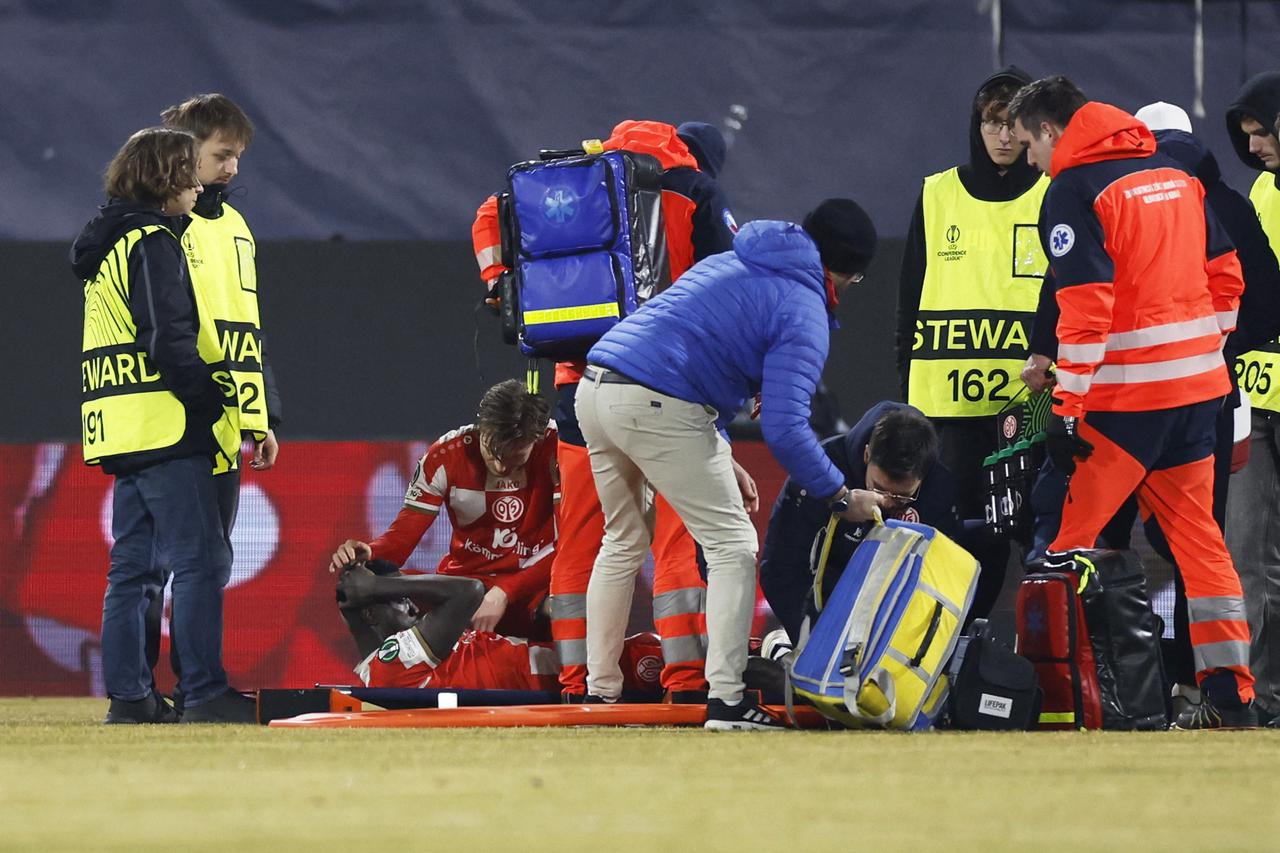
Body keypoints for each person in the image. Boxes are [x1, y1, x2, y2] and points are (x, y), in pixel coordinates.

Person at [577, 198, 883, 730]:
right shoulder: (803, 305)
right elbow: (786, 429)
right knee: (734, 547)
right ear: (848, 273)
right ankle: (727, 699)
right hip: (656, 402)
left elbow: (693, 352)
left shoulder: (734, 258)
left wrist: (718, 449)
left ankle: (597, 694)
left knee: (622, 541)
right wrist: (840, 495)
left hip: (597, 388)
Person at [1008, 75, 1257, 728]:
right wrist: (1203, 351)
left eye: (1029, 141)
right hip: (1196, 394)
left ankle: (1055, 697)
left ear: (1053, 131)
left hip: (1122, 404)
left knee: (1064, 541)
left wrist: (1066, 408)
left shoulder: (1073, 190)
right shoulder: (1174, 176)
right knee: (1200, 541)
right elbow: (1228, 277)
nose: (1027, 156)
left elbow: (1086, 307)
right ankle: (1231, 691)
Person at [471, 120, 740, 701]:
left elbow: (489, 212)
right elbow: (726, 293)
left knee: (593, 540)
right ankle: (687, 680)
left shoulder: (580, 174)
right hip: (669, 384)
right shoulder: (696, 191)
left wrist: (499, 283)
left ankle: (583, 684)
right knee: (676, 539)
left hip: (580, 387)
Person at [73, 127, 252, 723]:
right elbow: (168, 340)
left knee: (135, 571)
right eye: (188, 172)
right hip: (166, 426)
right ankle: (204, 693)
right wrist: (208, 404)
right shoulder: (151, 240)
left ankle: (130, 700)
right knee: (199, 561)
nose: (198, 185)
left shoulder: (107, 246)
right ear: (164, 178)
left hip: (119, 427)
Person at [897, 66, 1049, 601]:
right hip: (950, 409)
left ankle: (1038, 660)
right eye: (992, 124)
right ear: (976, 127)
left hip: (1030, 404)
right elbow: (910, 296)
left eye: (1013, 125)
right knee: (957, 538)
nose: (1004, 136)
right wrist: (907, 386)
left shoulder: (1054, 193)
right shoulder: (937, 194)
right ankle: (953, 658)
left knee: (1036, 533)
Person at [329, 380, 558, 639]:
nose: (502, 467)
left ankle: (575, 680)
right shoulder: (444, 457)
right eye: (492, 453)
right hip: (467, 586)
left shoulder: (559, 450)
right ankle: (396, 675)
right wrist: (371, 550)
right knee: (366, 593)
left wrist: (506, 591)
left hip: (536, 584)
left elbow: (574, 544)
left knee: (573, 598)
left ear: (535, 441)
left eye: (516, 459)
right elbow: (402, 540)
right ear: (481, 427)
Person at [760, 402, 960, 643]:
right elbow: (780, 570)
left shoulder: (940, 487)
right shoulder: (818, 472)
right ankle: (782, 648)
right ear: (867, 455)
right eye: (878, 488)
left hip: (893, 618)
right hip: (826, 607)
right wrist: (814, 642)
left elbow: (943, 581)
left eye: (903, 497)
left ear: (924, 476)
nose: (887, 502)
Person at [336, 560, 663, 694]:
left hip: (580, 661)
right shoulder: (392, 663)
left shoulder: (408, 655)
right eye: (399, 599)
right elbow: (468, 592)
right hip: (580, 676)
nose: (411, 604)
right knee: (675, 661)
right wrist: (375, 587)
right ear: (371, 615)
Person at [1223, 72, 1280, 726]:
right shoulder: (1262, 189)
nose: (1257, 146)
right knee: (1248, 555)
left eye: (1264, 132)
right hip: (1258, 398)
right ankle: (1262, 700)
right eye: (1249, 137)